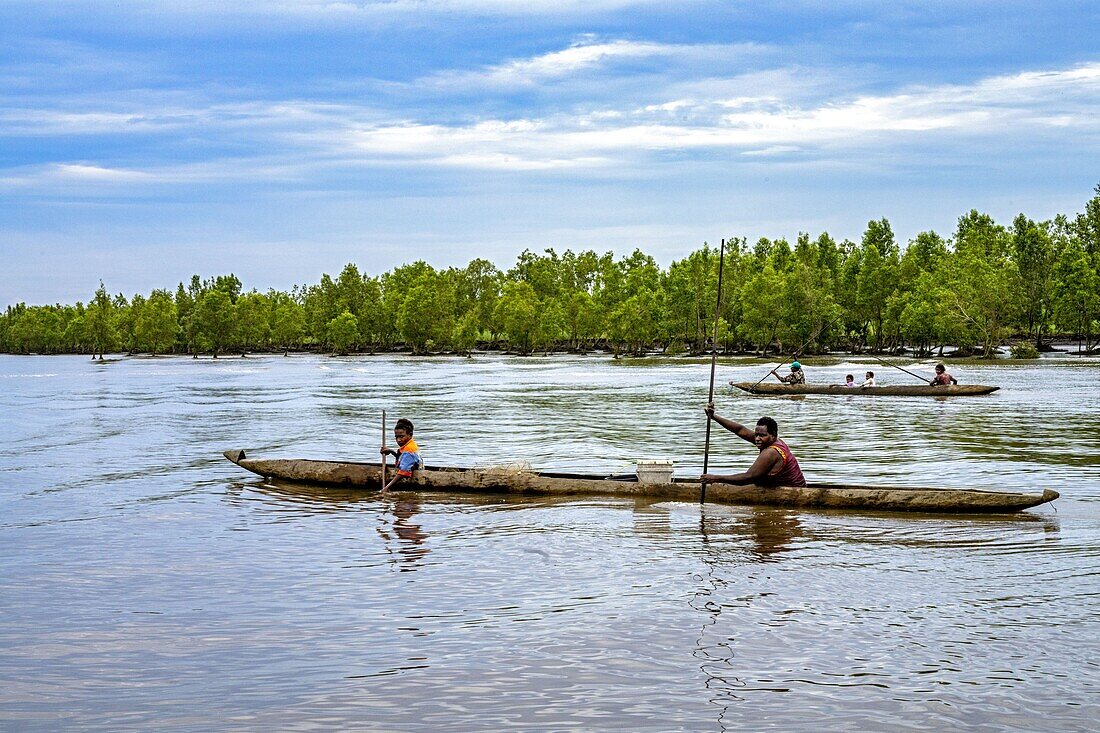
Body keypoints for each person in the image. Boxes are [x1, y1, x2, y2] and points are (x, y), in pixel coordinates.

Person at [700, 406, 807, 487]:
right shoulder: (768, 441)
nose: (757, 439)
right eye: (756, 435)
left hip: (793, 491)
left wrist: (716, 478)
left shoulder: (771, 452)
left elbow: (748, 477)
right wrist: (713, 417)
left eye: (762, 435)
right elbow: (740, 430)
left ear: (773, 435)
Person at [380, 417, 423, 491]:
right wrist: (392, 452)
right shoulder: (409, 446)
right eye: (396, 437)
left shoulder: (409, 449)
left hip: (412, 479)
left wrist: (387, 487)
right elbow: (404, 459)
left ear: (410, 435)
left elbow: (403, 472)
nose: (398, 440)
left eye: (401, 436)